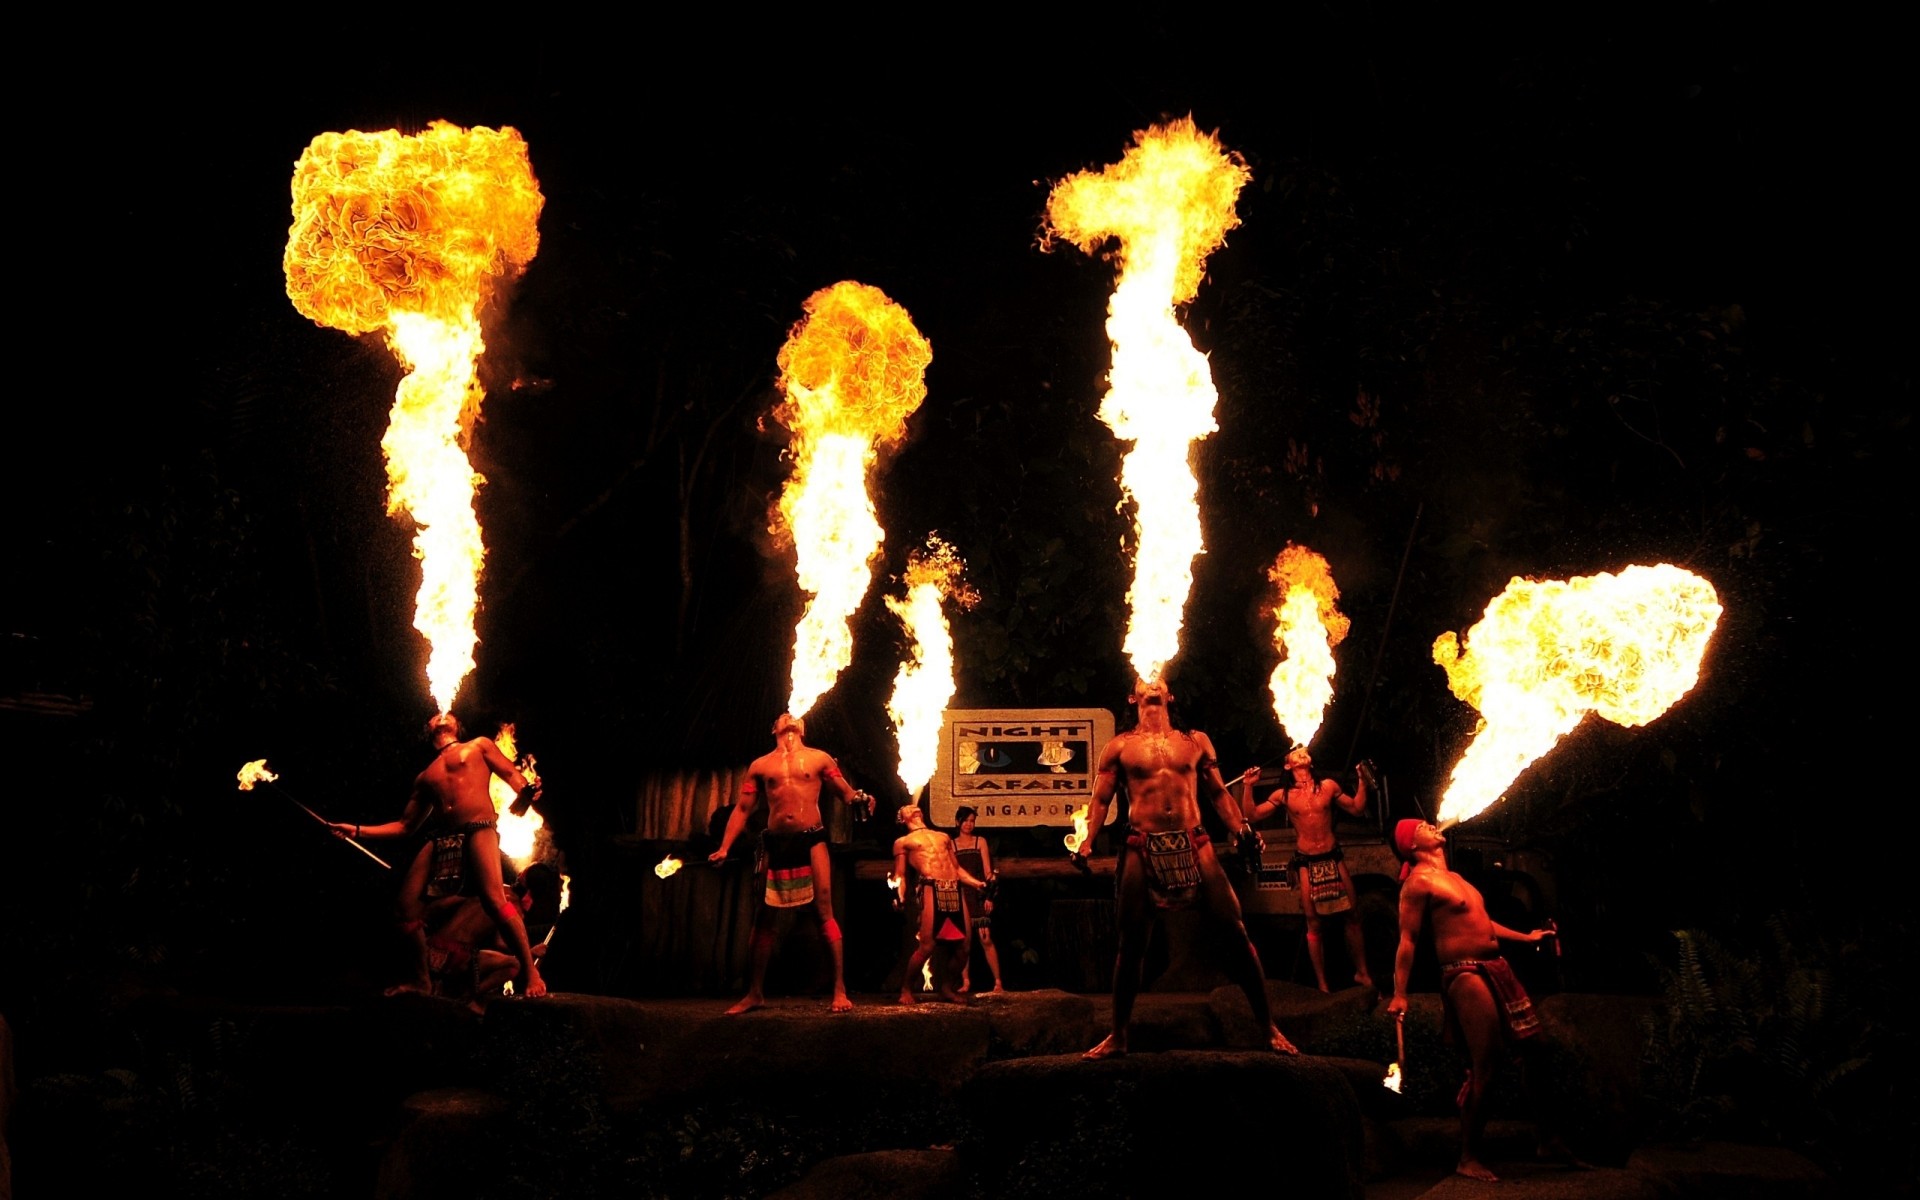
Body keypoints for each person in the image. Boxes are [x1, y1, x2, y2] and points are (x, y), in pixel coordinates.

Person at [1072, 678, 1297, 1058]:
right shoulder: (1120, 746)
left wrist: (1241, 828)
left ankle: (1268, 1028)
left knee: (1235, 929)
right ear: (1133, 695)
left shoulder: (1195, 741)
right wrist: (1087, 838)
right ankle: (1119, 1034)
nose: (1153, 681)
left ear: (1170, 694)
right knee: (1131, 943)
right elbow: (1100, 800)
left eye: (1160, 678)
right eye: (1145, 678)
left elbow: (1218, 793)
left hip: (1195, 841)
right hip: (1140, 843)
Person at [1387, 818, 1576, 1182]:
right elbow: (1407, 940)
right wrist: (1399, 992)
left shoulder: (1457, 880)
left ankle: (1547, 1139)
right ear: (1411, 844)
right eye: (1422, 826)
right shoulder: (1418, 883)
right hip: (1464, 972)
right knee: (1486, 1063)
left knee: (1536, 1049)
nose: (1431, 825)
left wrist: (1527, 936)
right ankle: (1468, 1155)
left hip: (1496, 967)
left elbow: (1484, 924)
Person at [333, 712, 546, 999]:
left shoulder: (479, 745)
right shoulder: (425, 776)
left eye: (448, 716)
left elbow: (511, 774)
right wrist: (356, 831)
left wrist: (526, 790)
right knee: (404, 909)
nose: (441, 715)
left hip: (478, 827)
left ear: (458, 726)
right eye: (434, 717)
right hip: (442, 838)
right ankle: (421, 981)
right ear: (429, 730)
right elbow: (405, 826)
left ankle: (531, 972)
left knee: (495, 899)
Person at [709, 713, 872, 1014]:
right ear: (774, 728)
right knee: (763, 917)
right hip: (775, 843)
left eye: (793, 716)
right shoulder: (760, 765)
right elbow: (743, 809)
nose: (789, 717)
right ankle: (755, 992)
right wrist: (724, 847)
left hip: (811, 840)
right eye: (782, 717)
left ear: (804, 728)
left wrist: (862, 798)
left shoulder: (819, 758)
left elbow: (847, 794)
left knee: (824, 912)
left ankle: (839, 989)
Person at [1243, 747, 1375, 992]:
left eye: (1304, 751)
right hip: (1306, 861)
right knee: (1313, 923)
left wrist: (1362, 781)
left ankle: (1362, 974)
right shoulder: (1284, 795)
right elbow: (1250, 815)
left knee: (1353, 914)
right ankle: (1323, 986)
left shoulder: (1328, 786)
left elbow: (1357, 808)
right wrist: (1249, 785)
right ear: (1287, 765)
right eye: (1296, 752)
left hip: (1333, 856)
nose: (1302, 752)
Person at [892, 805, 990, 1004]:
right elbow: (900, 875)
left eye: (915, 806)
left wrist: (976, 883)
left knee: (964, 947)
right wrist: (900, 895)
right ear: (902, 819)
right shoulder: (903, 842)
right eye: (908, 808)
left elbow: (956, 868)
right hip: (931, 887)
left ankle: (946, 987)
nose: (914, 808)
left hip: (954, 887)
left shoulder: (943, 837)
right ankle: (906, 988)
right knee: (927, 945)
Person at [951, 806, 1006, 994]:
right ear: (958, 822)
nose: (969, 824)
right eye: (966, 820)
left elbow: (988, 871)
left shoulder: (979, 841)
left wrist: (989, 895)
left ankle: (998, 982)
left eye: (972, 820)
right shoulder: (952, 844)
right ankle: (965, 981)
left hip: (979, 892)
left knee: (986, 938)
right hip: (961, 895)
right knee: (963, 941)